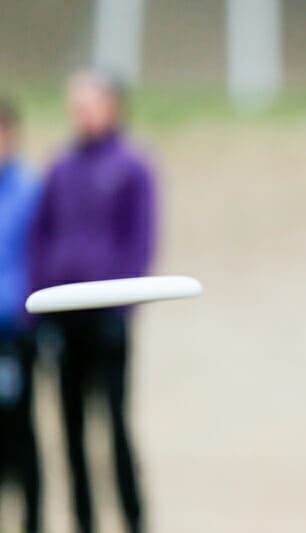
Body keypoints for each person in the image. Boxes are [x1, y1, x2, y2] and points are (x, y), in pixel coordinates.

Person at [29, 69, 156, 533]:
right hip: (63, 322)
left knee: (116, 427)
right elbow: (42, 240)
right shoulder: (60, 166)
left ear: (113, 105)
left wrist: (121, 310)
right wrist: (38, 308)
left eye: (88, 102)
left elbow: (139, 243)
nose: (79, 112)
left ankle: (134, 519)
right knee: (71, 431)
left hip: (109, 321)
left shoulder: (132, 166)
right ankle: (83, 521)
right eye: (74, 103)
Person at [0, 98, 42, 533]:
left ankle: (32, 521)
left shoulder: (30, 190)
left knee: (20, 436)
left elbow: (40, 259)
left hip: (16, 330)